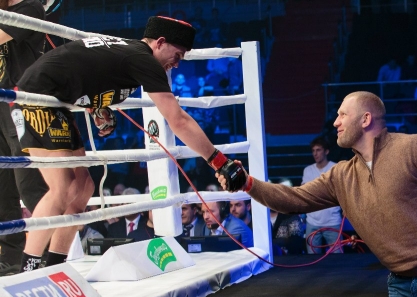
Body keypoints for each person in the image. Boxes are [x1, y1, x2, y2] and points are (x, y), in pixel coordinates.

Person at [217, 91, 417, 297]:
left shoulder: (413, 147)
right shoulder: (342, 176)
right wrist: (248, 183)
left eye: (343, 114)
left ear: (365, 119)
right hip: (401, 282)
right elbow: (293, 199)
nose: (335, 122)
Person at [12, 15, 244, 273]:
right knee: (63, 187)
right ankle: (28, 270)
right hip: (36, 98)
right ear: (160, 42)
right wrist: (219, 161)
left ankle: (55, 266)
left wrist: (97, 107)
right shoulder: (142, 59)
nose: (177, 64)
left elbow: (82, 68)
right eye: (177, 55)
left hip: (55, 101)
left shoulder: (128, 52)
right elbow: (178, 120)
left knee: (84, 187)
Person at [0, 0, 49, 276]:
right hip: (1, 101)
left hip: (20, 101)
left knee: (28, 182)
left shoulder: (30, 7)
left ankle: (49, 253)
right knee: (2, 186)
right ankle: (10, 258)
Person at [301, 138, 343, 254]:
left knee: (338, 258)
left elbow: (339, 192)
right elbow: (306, 193)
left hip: (332, 221)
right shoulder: (308, 170)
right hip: (312, 222)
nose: (315, 153)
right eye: (313, 150)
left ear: (326, 151)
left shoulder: (335, 168)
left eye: (318, 150)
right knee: (312, 258)